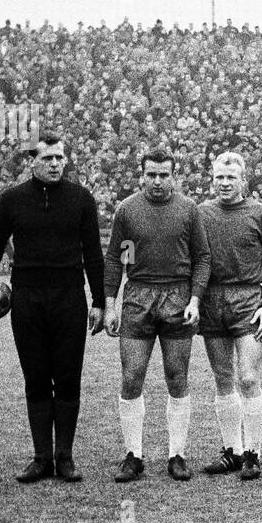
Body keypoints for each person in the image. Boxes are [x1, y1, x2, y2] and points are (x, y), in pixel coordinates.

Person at [0, 134, 105, 482]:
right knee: (36, 379)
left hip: (69, 297)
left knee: (68, 378)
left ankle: (65, 457)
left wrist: (99, 301)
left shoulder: (82, 199)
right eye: (47, 158)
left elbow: (94, 254)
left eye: (59, 158)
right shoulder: (11, 200)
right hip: (27, 298)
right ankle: (42, 458)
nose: (55, 164)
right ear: (32, 161)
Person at [103, 147, 211, 483]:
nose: (158, 181)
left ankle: (176, 454)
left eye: (164, 175)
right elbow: (116, 259)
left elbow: (202, 259)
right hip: (138, 297)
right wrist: (110, 304)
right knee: (132, 376)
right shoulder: (128, 210)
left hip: (177, 296)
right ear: (142, 174)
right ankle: (133, 455)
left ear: (174, 176)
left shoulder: (188, 210)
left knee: (176, 377)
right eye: (151, 174)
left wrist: (194, 300)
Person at [197, 151, 262, 482]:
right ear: (212, 179)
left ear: (242, 179)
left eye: (231, 177)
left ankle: (253, 454)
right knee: (222, 378)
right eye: (219, 177)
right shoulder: (200, 213)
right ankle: (232, 451)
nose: (225, 183)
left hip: (248, 299)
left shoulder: (260, 214)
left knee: (248, 377)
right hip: (212, 299)